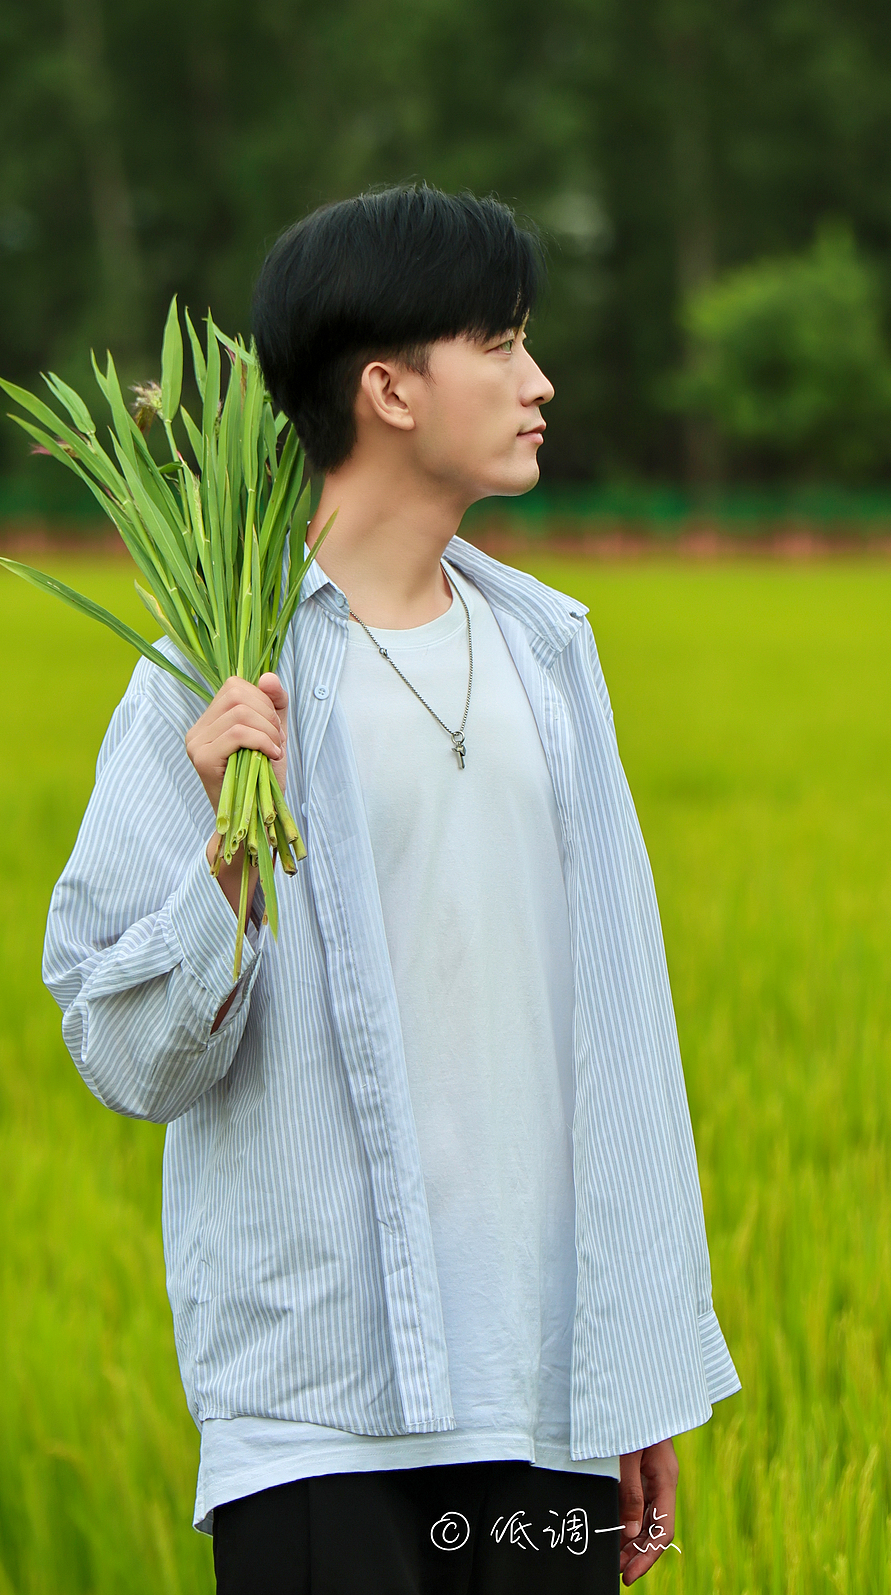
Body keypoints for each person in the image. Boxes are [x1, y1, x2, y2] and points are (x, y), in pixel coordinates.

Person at [44, 183, 740, 1592]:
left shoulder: (554, 657)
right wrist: (225, 862)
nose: (540, 382)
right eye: (499, 343)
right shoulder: (215, 670)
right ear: (389, 389)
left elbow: (620, 1021)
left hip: (544, 1397)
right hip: (322, 1418)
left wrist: (638, 1364)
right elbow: (121, 1050)